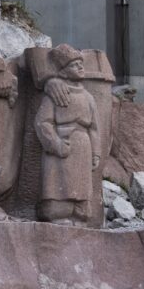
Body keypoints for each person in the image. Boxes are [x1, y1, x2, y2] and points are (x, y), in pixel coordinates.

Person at [35, 46, 100, 225]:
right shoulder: (55, 94)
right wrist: (55, 144)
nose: (80, 67)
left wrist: (96, 153)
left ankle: (78, 217)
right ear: (63, 72)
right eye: (74, 65)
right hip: (62, 145)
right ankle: (58, 216)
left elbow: (94, 128)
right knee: (57, 192)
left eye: (81, 64)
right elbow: (42, 122)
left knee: (82, 197)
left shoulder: (88, 97)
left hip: (83, 146)